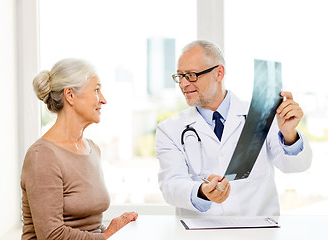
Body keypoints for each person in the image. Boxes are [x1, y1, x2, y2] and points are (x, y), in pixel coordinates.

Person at [155, 40, 312, 216]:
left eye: (191, 75)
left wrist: (289, 133)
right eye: (180, 76)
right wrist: (202, 191)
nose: (183, 84)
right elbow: (171, 185)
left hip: (258, 231)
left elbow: (296, 166)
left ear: (219, 73)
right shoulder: (169, 130)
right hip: (202, 233)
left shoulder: (262, 115)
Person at [21, 58, 138, 239]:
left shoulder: (92, 149)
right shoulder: (42, 156)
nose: (104, 100)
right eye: (96, 90)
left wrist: (111, 228)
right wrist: (106, 236)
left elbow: (87, 228)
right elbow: (51, 235)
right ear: (70, 95)